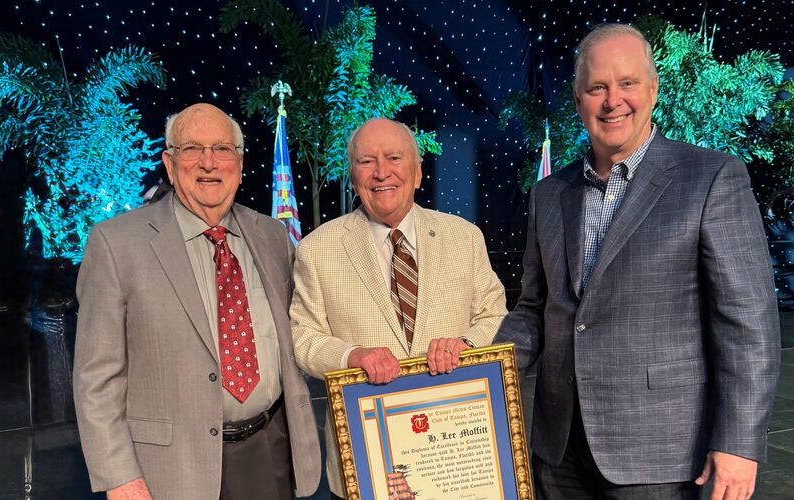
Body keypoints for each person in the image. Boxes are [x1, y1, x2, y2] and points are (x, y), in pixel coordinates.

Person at [495, 23, 781, 500]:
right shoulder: (549, 194)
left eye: (627, 83)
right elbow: (534, 310)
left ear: (652, 88)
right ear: (577, 97)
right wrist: (475, 366)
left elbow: (747, 322)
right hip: (558, 450)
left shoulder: (711, 178)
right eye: (597, 87)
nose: (613, 101)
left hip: (661, 453)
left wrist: (738, 443)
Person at [73, 103, 320, 500]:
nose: (208, 163)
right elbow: (95, 380)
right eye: (191, 149)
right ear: (170, 165)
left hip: (270, 448)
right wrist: (118, 476)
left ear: (239, 165)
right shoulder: (116, 244)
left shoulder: (272, 237)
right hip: (172, 468)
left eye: (222, 149)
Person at [289, 117, 507, 498]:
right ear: (352, 175)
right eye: (366, 161)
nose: (381, 172)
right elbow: (302, 336)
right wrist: (350, 355)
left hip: (455, 452)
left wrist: (466, 344)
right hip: (367, 454)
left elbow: (495, 315)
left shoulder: (464, 237)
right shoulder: (316, 248)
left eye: (393, 158)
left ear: (418, 172)